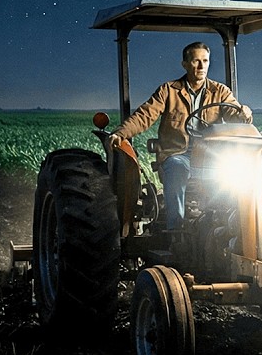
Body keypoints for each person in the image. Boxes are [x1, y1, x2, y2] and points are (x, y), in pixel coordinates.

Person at [108, 40, 252, 231]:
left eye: (205, 61)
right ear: (185, 64)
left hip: (211, 156)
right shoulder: (168, 91)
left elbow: (235, 114)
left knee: (238, 177)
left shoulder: (220, 91)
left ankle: (227, 229)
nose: (201, 66)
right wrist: (121, 133)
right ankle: (177, 232)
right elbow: (144, 115)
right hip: (178, 153)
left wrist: (244, 113)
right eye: (195, 61)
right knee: (177, 169)